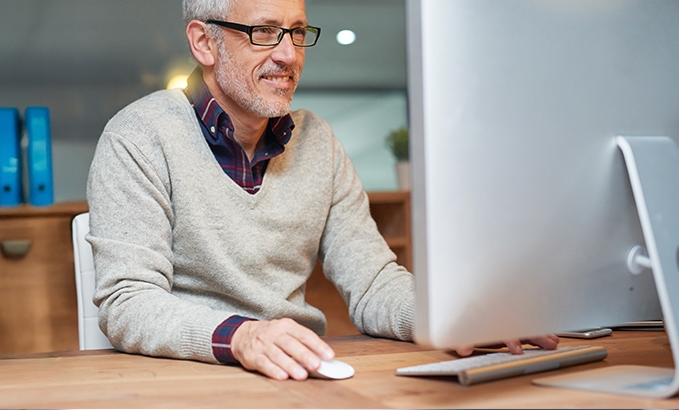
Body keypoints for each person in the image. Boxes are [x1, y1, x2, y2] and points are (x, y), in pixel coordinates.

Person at [86, 0, 558, 381]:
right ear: (204, 42)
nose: (289, 55)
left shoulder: (319, 142)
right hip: (184, 385)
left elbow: (373, 284)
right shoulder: (138, 136)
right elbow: (129, 301)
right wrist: (243, 337)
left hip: (300, 379)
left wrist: (458, 316)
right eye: (265, 32)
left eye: (297, 31)